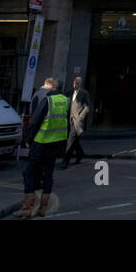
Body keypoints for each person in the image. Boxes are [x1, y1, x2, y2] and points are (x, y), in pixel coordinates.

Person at [18, 77, 66, 217]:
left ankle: (27, 207)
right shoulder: (65, 101)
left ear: (51, 88)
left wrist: (28, 138)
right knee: (48, 174)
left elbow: (34, 121)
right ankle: (43, 208)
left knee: (29, 172)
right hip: (56, 142)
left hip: (41, 141)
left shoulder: (47, 100)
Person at [63, 75, 91, 169]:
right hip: (68, 120)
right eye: (75, 82)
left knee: (70, 140)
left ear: (80, 84)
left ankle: (65, 161)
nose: (76, 84)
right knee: (74, 140)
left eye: (78, 83)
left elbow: (87, 107)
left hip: (77, 121)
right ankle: (80, 153)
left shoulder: (84, 93)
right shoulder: (69, 92)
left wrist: (80, 117)